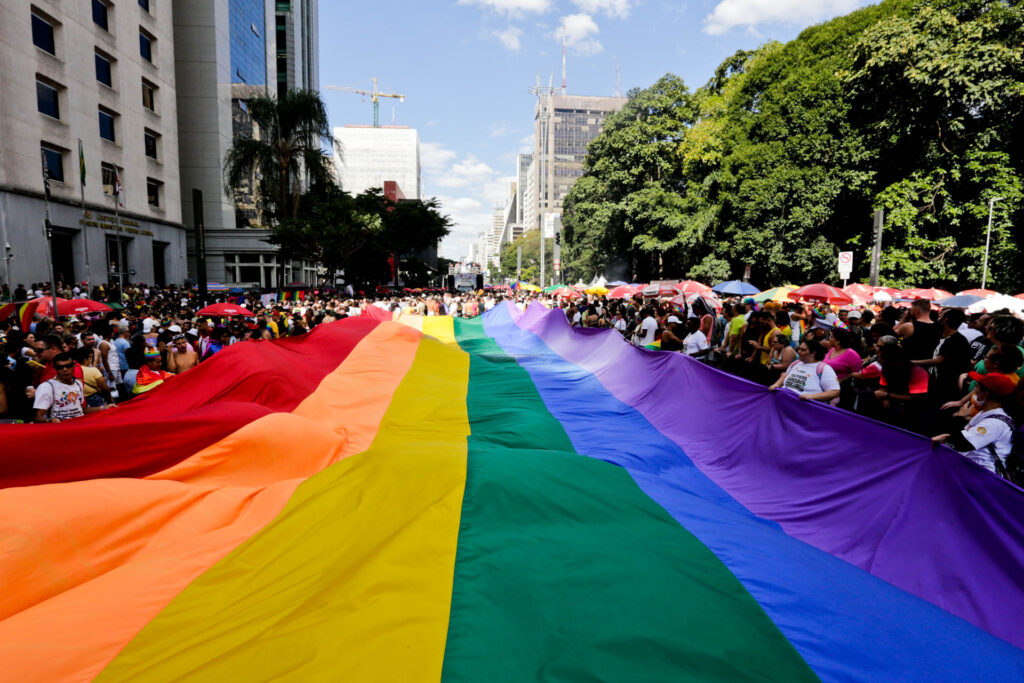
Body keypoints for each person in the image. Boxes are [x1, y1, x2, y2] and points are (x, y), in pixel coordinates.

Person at [932, 372, 1017, 475]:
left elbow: (962, 444)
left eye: (976, 387)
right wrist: (947, 438)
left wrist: (960, 416)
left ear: (985, 394)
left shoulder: (994, 423)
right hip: (970, 467)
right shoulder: (986, 413)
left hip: (980, 475)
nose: (973, 392)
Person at [769, 339, 841, 402]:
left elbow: (834, 392)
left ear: (813, 353)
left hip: (804, 408)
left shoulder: (824, 368)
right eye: (799, 349)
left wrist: (811, 397)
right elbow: (785, 375)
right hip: (783, 401)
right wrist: (777, 384)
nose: (799, 352)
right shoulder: (795, 363)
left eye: (803, 350)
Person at [33, 352, 87, 422]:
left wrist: (103, 408)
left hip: (79, 425)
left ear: (74, 365)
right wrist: (50, 421)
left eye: (68, 366)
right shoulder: (47, 386)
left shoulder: (78, 383)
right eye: (60, 367)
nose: (65, 370)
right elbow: (38, 417)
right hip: (61, 429)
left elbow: (81, 409)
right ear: (55, 368)